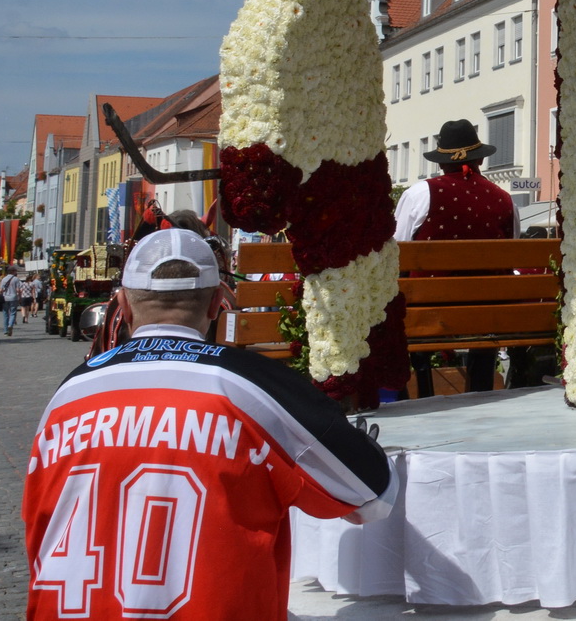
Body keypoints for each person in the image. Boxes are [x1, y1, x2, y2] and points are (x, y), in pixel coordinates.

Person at [22, 227, 394, 620]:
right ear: (218, 302)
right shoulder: (249, 384)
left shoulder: (69, 394)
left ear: (123, 306)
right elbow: (372, 492)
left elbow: (37, 524)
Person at [394, 119, 517, 392]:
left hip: (429, 310)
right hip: (486, 313)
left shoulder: (419, 193)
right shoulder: (505, 198)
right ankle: (481, 387)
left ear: (440, 162)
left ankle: (423, 385)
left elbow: (395, 252)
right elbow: (512, 253)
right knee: (485, 307)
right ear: (480, 161)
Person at [0, 264, 22, 337]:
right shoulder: (16, 279)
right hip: (13, 297)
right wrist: (20, 298)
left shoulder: (3, 279)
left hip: (5, 298)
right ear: (13, 271)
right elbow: (18, 290)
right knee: (13, 312)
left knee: (5, 313)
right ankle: (10, 325)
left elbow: (1, 290)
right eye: (15, 271)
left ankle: (5, 331)